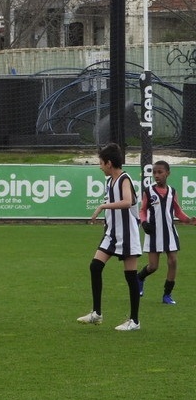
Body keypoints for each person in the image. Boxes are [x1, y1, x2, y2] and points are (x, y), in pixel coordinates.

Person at [77, 142, 142, 331]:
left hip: (127, 235)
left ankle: (135, 321)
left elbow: (128, 201)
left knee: (130, 277)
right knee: (95, 266)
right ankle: (96, 313)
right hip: (112, 234)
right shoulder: (109, 181)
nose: (99, 167)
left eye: (101, 163)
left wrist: (102, 207)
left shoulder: (124, 179)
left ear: (109, 163)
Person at [138, 160, 195, 304]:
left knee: (173, 261)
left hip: (169, 233)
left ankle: (167, 295)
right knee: (153, 266)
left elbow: (178, 211)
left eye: (160, 172)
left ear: (167, 173)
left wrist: (188, 220)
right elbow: (142, 210)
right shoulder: (148, 191)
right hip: (154, 233)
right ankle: (140, 278)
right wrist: (144, 222)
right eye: (154, 172)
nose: (156, 175)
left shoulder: (172, 192)